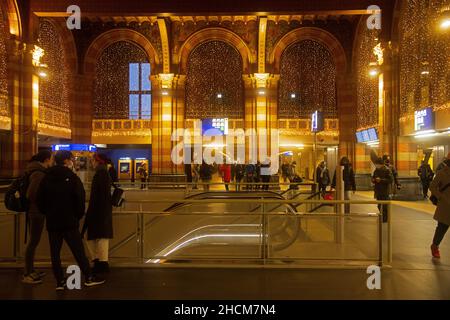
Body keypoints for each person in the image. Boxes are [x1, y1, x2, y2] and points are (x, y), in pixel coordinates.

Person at [36, 150, 104, 290]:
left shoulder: (46, 177)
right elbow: (79, 199)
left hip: (52, 221)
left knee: (55, 253)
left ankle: (60, 282)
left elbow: (40, 200)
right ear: (67, 161)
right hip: (69, 221)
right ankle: (89, 277)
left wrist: (48, 212)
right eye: (71, 159)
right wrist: (77, 215)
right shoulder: (72, 177)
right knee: (78, 251)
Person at [22, 150, 53, 285]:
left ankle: (31, 269)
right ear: (46, 160)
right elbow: (31, 194)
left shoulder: (34, 170)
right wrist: (43, 202)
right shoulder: (39, 174)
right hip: (36, 212)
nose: (52, 162)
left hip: (34, 211)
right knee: (33, 242)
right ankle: (27, 273)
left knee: (33, 241)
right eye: (51, 159)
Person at [84, 153, 114, 274]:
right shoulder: (104, 173)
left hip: (98, 211)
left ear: (98, 161)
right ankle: (101, 262)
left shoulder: (100, 174)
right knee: (99, 237)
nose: (91, 162)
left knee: (96, 237)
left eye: (92, 160)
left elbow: (98, 196)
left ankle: (100, 262)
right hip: (103, 211)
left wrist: (92, 210)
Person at [430, 158, 450, 259]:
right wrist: (440, 197)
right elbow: (432, 186)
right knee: (442, 228)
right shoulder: (442, 173)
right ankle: (435, 246)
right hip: (446, 205)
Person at [372, 157, 393, 223]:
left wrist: (381, 180)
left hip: (385, 190)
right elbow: (373, 177)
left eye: (376, 164)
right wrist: (373, 180)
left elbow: (390, 180)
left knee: (384, 206)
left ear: (380, 164)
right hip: (378, 190)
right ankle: (382, 217)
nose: (376, 165)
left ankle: (385, 219)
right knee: (379, 205)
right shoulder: (376, 170)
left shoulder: (387, 170)